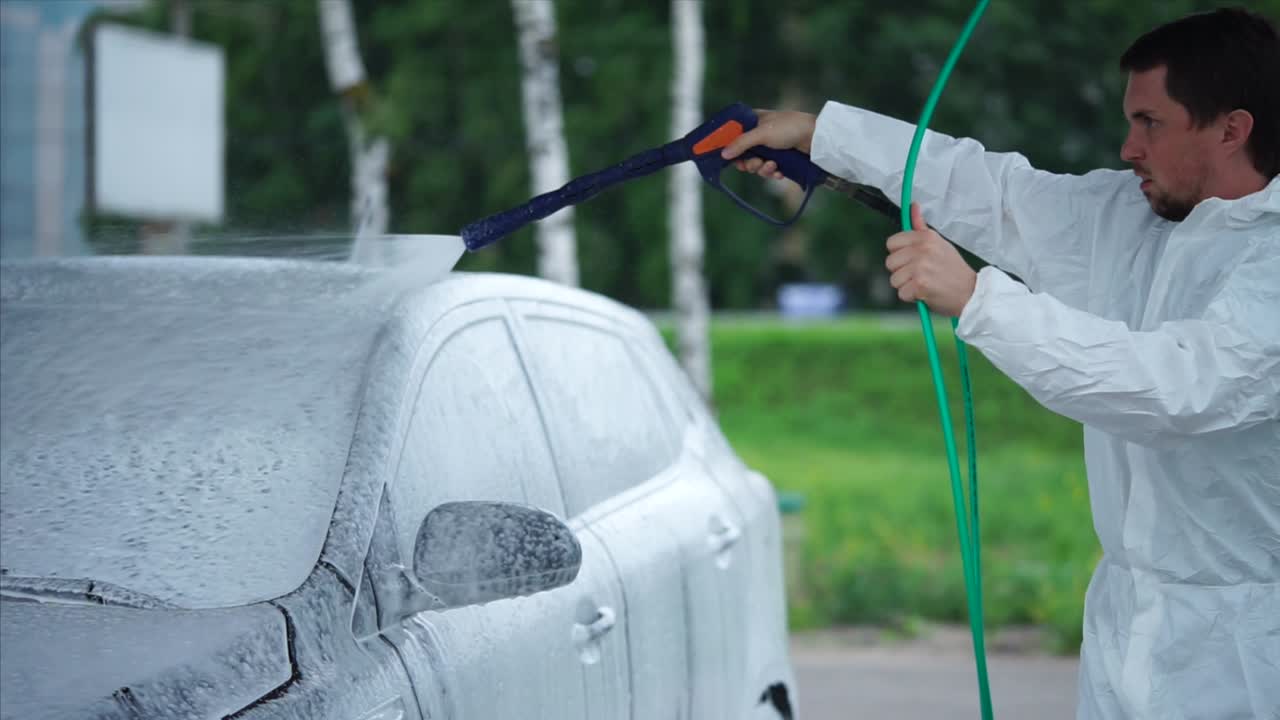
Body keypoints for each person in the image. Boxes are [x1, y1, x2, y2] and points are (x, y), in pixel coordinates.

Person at [722, 7, 1279, 719]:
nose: (1128, 146)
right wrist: (822, 134)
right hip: (1127, 628)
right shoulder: (1134, 218)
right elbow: (993, 191)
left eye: (1151, 123)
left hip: (1249, 654)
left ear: (1232, 129)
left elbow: (1173, 389)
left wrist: (980, 301)